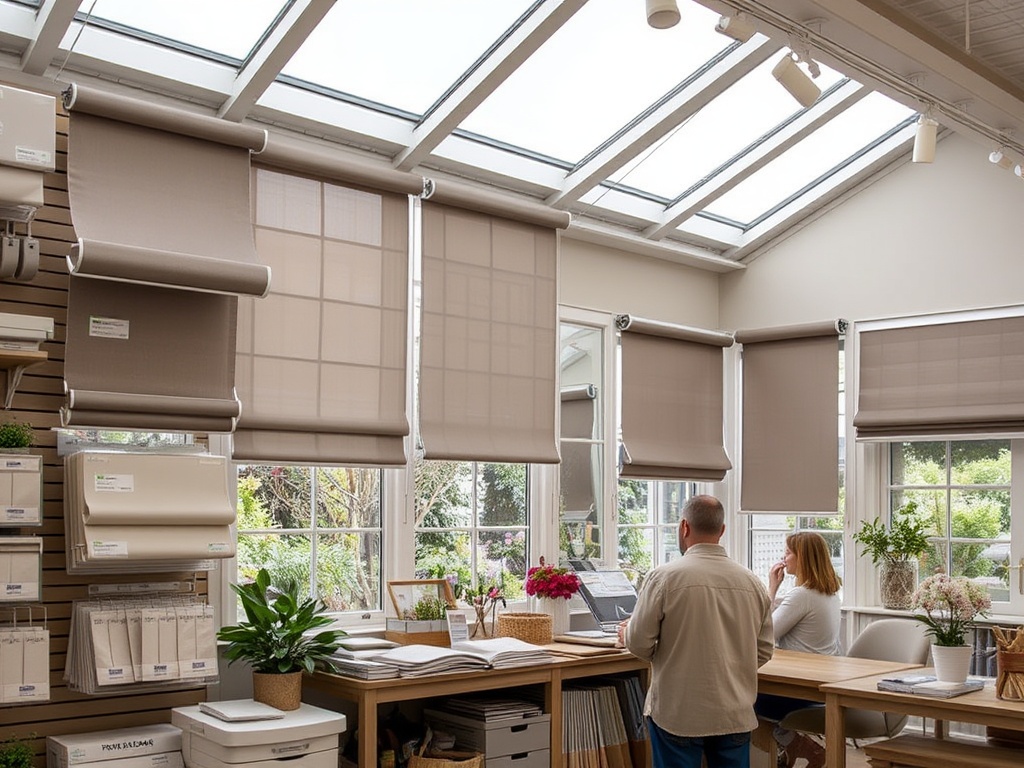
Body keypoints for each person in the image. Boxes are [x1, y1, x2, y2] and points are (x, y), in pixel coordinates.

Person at [619, 495, 774, 768]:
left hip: (679, 712)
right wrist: (731, 665)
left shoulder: (664, 577)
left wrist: (629, 634)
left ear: (684, 527)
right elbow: (763, 650)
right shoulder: (752, 582)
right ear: (722, 530)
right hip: (734, 712)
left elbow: (639, 643)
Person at [754, 531, 842, 768]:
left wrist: (772, 587)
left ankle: (797, 744)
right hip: (819, 685)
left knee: (741, 697)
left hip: (797, 688)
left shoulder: (801, 595)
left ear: (802, 557)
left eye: (789, 552)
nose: (784, 557)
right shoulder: (830, 594)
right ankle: (789, 748)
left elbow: (765, 634)